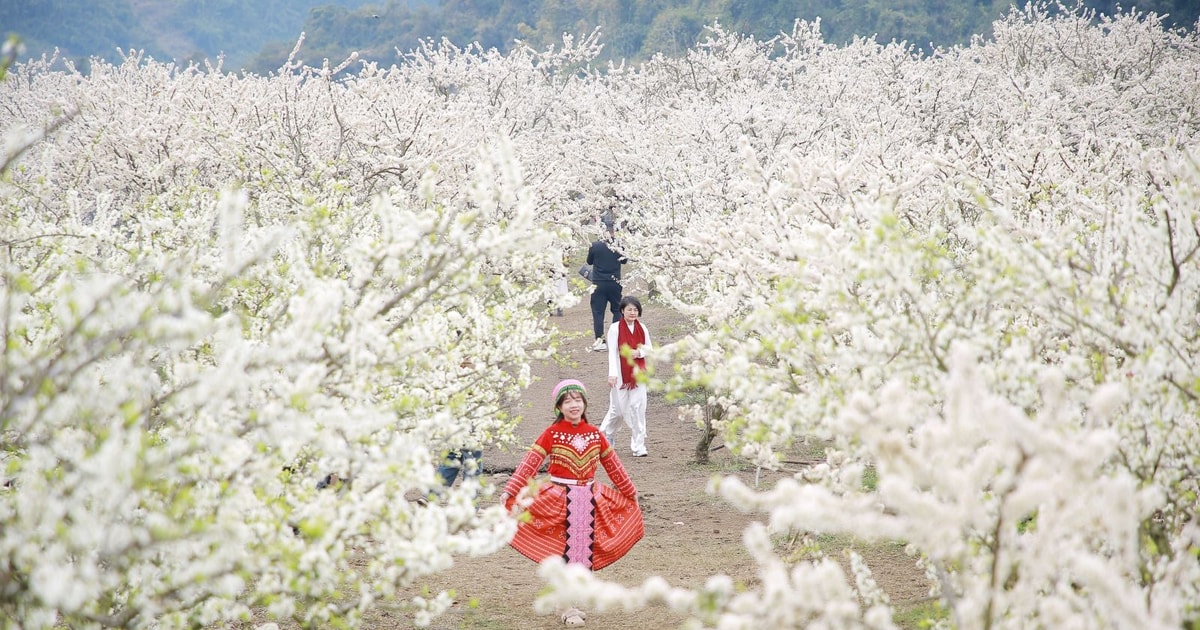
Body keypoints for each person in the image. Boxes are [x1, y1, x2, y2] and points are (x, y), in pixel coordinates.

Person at [500, 379, 643, 627]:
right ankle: (567, 607)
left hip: (588, 501)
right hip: (557, 500)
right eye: (567, 401)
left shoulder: (596, 434)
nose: (573, 405)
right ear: (559, 407)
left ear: (585, 403)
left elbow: (613, 466)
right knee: (562, 553)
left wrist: (630, 491)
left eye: (577, 400)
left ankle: (563, 600)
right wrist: (511, 489)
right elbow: (530, 463)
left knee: (579, 554)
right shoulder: (551, 433)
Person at [599, 296, 652, 457]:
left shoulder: (642, 328)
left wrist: (639, 352)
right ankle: (606, 435)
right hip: (621, 375)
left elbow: (649, 348)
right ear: (622, 311)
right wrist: (612, 374)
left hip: (638, 374)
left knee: (638, 408)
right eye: (629, 309)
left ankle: (638, 445)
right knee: (618, 410)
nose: (632, 313)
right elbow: (613, 353)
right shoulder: (615, 329)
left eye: (635, 310)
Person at [586, 227, 628, 352]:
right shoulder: (619, 245)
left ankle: (600, 341)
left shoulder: (595, 245)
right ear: (613, 232)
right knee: (617, 310)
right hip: (615, 282)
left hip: (598, 282)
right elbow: (625, 260)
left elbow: (589, 261)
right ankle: (615, 340)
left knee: (598, 312)